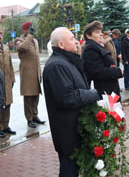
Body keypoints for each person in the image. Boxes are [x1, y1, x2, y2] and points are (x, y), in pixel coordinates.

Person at [43, 27, 100, 177]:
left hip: (74, 129)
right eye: (72, 39)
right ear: (61, 45)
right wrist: (92, 94)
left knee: (73, 169)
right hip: (67, 133)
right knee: (69, 170)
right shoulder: (57, 65)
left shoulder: (67, 62)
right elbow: (67, 97)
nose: (77, 41)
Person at [82, 21, 123, 100]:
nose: (101, 34)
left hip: (109, 89)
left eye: (101, 32)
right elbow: (97, 72)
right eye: (97, 32)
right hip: (105, 92)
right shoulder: (90, 48)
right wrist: (118, 71)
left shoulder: (97, 46)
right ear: (88, 35)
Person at [15, 22, 45, 129]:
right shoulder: (19, 40)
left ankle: (35, 115)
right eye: (29, 28)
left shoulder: (35, 40)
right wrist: (29, 36)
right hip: (27, 73)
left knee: (36, 95)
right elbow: (23, 48)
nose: (31, 29)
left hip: (36, 72)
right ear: (25, 30)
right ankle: (29, 118)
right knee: (28, 97)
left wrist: (40, 73)